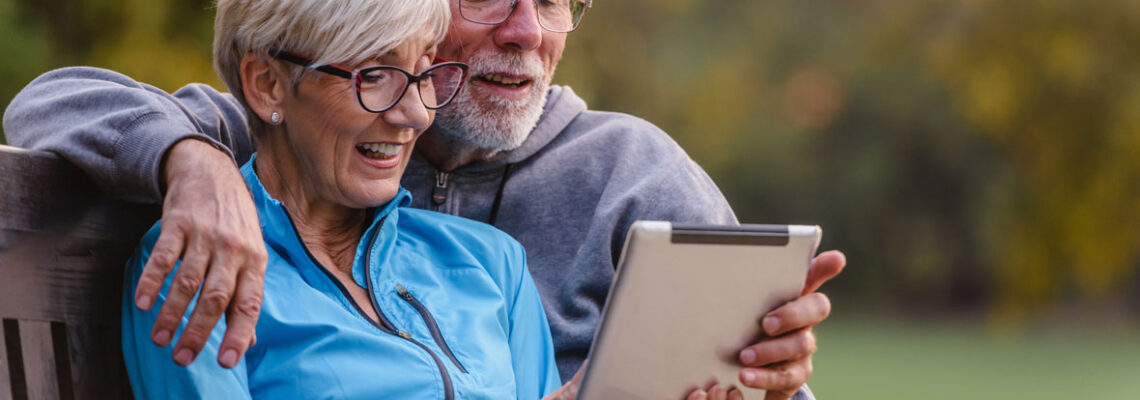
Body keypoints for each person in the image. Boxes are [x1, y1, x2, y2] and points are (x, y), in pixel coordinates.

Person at [3, 0, 845, 398]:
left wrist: (766, 374)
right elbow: (51, 101)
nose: (526, 32)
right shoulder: (257, 143)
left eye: (554, 2)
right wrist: (187, 161)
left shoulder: (618, 183)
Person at [116, 0, 567, 398]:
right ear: (268, 84)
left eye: (426, 75)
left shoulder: (492, 264)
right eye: (375, 75)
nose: (415, 114)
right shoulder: (202, 264)